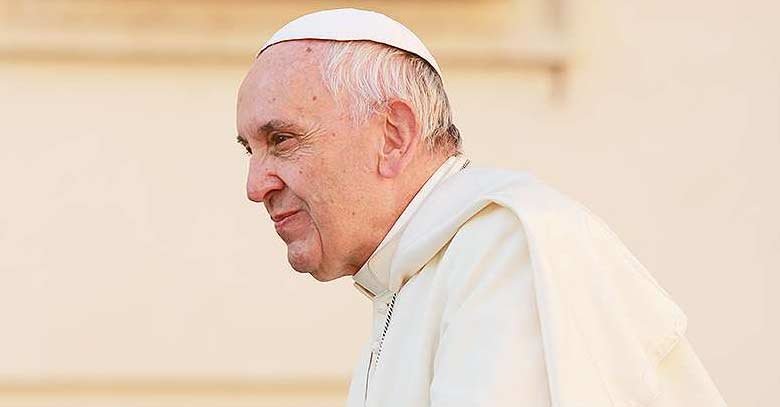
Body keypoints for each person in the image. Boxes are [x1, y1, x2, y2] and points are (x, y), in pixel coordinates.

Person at [235, 8, 727, 407]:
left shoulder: (506, 251)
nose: (256, 186)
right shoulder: (410, 282)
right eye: (249, 151)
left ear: (393, 137)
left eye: (282, 140)